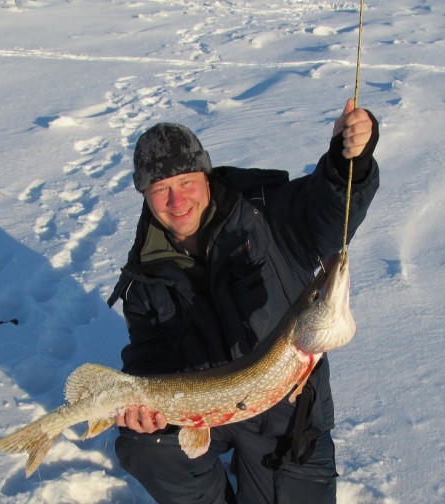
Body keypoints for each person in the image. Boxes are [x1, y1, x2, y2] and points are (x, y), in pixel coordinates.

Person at [106, 98, 380, 504]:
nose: (177, 201)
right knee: (144, 445)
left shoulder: (266, 213)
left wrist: (346, 163)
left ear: (206, 175)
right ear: (144, 194)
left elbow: (328, 207)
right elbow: (150, 354)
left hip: (285, 421)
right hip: (205, 413)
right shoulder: (144, 275)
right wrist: (143, 411)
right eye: (160, 189)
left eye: (185, 182)